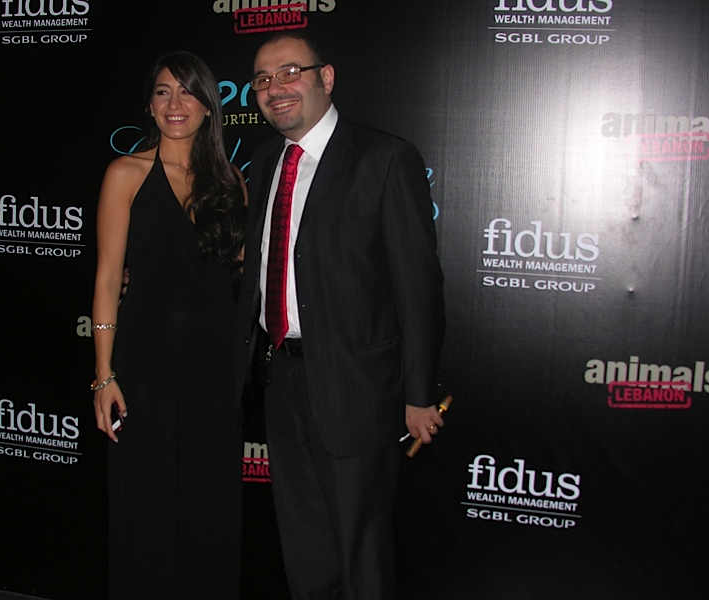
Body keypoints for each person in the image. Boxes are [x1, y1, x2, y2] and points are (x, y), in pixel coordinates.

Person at [233, 33, 447, 599]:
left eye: (290, 72)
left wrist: (419, 394)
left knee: (361, 550)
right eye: (262, 79)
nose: (275, 88)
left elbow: (418, 289)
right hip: (281, 380)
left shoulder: (385, 159)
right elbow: (261, 266)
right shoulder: (265, 162)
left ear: (325, 77)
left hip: (358, 388)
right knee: (304, 548)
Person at [92, 51, 246, 599]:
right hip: (145, 365)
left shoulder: (232, 183)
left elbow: (241, 276)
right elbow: (107, 278)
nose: (175, 103)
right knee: (147, 502)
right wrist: (104, 375)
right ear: (151, 105)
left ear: (208, 106)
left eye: (187, 92)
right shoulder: (126, 174)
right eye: (163, 91)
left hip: (215, 367)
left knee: (210, 501)